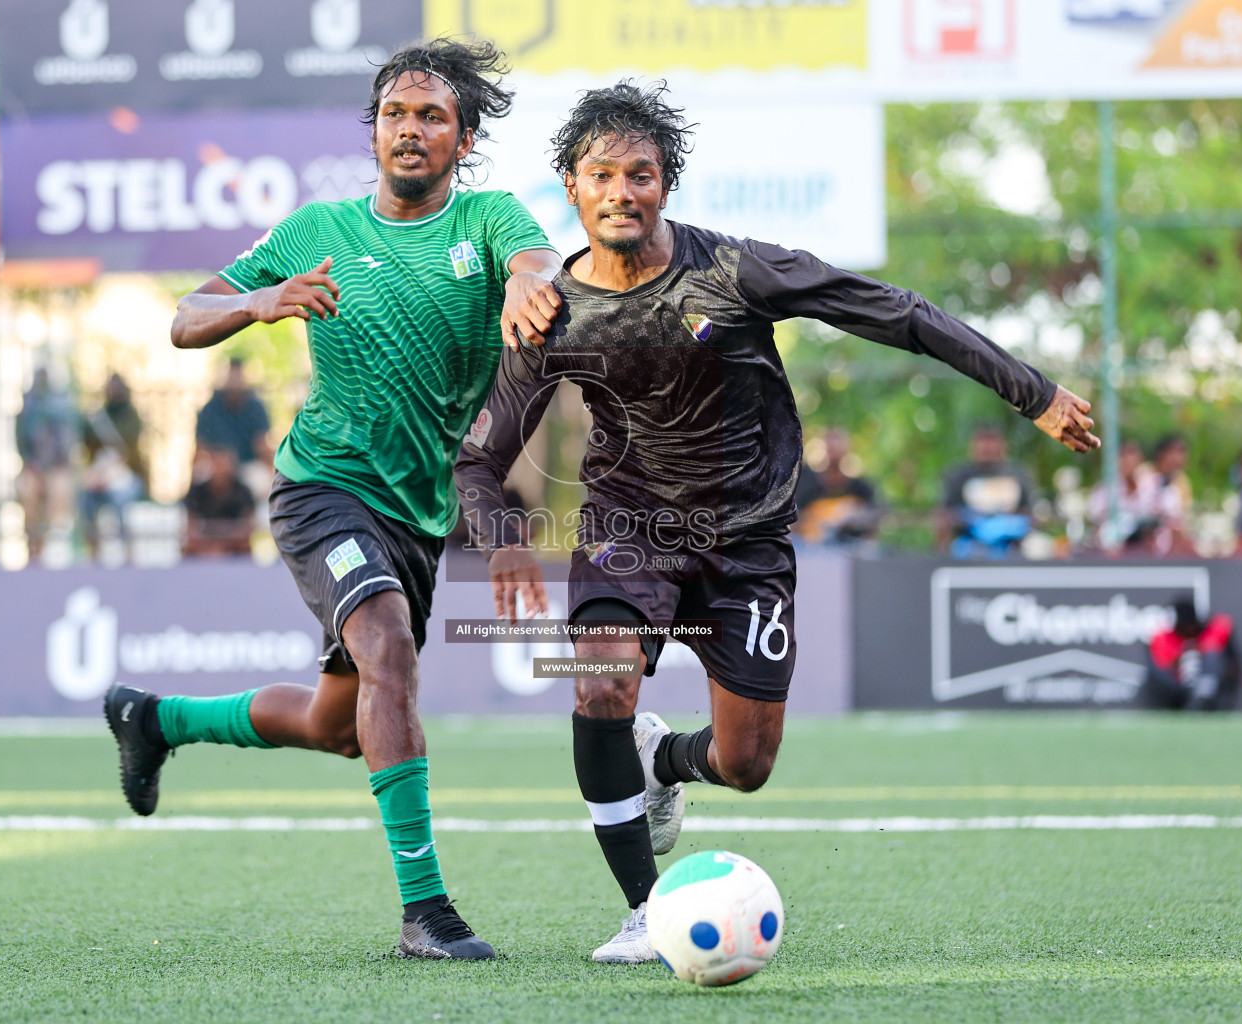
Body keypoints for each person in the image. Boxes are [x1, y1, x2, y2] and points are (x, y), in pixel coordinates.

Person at [454, 81, 1099, 964]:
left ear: (664, 186)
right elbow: (480, 459)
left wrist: (1033, 393)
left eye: (639, 174)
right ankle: (649, 908)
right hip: (627, 530)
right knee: (598, 682)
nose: (621, 192)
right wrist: (502, 544)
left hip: (748, 538)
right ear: (571, 185)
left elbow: (898, 313)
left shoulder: (735, 270)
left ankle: (666, 762)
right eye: (601, 174)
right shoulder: (549, 313)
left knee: (748, 762)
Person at [100, 38, 560, 961]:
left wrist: (527, 286)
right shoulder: (319, 231)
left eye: (432, 116)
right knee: (387, 647)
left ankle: (153, 718)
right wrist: (260, 300)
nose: (411, 129)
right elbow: (187, 316)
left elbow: (539, 261)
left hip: (419, 515)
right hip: (324, 489)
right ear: (375, 130)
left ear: (463, 138)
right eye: (395, 113)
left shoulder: (488, 219)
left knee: (336, 725)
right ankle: (425, 912)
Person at [937, 424, 1038, 558]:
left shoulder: (1018, 474)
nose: (987, 446)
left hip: (1010, 549)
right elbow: (944, 514)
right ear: (972, 445)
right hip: (968, 547)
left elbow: (1031, 514)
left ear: (1003, 444)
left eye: (992, 440)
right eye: (982, 441)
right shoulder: (958, 476)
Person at [15, 367, 80, 561]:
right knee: (26, 487)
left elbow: (69, 442)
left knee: (61, 488)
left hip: (57, 467)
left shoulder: (61, 409)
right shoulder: (27, 410)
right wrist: (31, 464)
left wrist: (58, 464)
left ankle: (55, 541)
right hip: (34, 468)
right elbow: (21, 443)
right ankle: (34, 543)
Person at [81, 373, 146, 561]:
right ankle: (93, 551)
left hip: (126, 476)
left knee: (121, 502)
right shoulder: (98, 417)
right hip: (101, 476)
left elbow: (129, 452)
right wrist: (99, 476)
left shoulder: (131, 417)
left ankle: (127, 553)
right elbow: (89, 448)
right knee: (87, 501)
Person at [1142, 596, 1240, 711]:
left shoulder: (1214, 631)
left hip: (1210, 693)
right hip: (1175, 693)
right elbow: (1159, 671)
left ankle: (1203, 700)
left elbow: (1232, 665)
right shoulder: (1163, 639)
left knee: (1212, 658)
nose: (1189, 631)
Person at [196, 358, 273, 499]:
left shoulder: (255, 407)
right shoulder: (210, 409)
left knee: (260, 480)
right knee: (200, 475)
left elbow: (262, 445)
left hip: (246, 467)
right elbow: (200, 448)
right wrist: (220, 462)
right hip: (214, 466)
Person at [792, 428, 880, 545]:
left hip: (851, 549)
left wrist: (854, 516)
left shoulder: (862, 489)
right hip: (812, 551)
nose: (834, 453)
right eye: (830, 448)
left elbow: (875, 519)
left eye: (838, 448)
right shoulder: (806, 485)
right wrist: (818, 518)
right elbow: (791, 521)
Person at [181, 446, 255, 557]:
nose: (221, 470)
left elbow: (247, 526)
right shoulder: (197, 492)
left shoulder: (243, 492)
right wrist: (209, 546)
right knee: (189, 545)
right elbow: (191, 526)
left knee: (244, 545)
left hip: (233, 543)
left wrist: (223, 545)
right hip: (204, 542)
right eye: (218, 465)